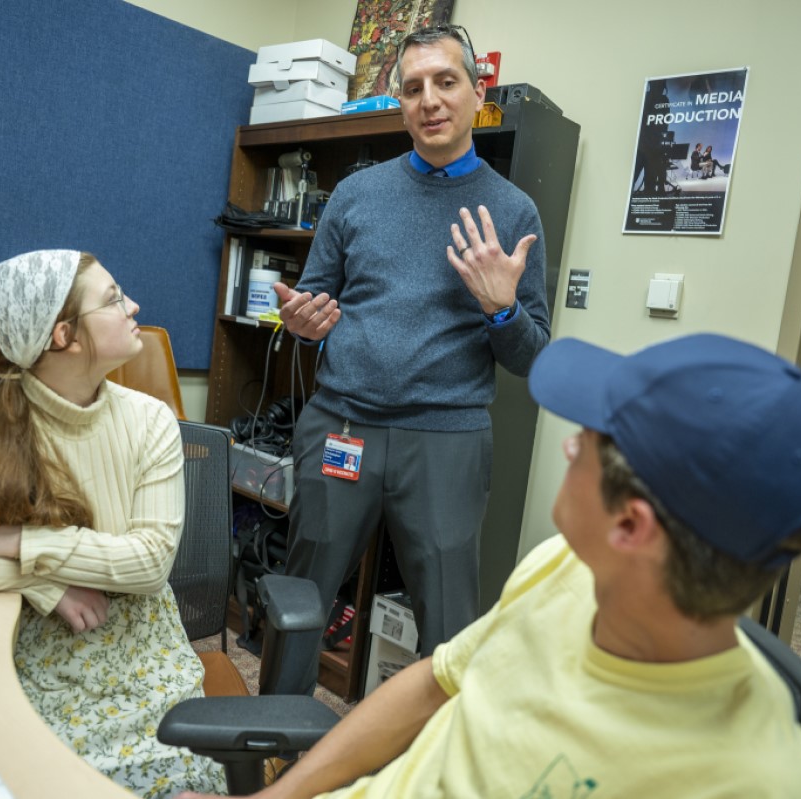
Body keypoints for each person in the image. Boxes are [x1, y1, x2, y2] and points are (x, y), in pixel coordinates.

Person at [177, 332, 801, 799]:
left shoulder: (755, 780)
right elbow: (435, 682)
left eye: (590, 436)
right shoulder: (566, 565)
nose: (569, 449)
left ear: (630, 525)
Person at [0, 250, 225, 798]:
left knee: (175, 781)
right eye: (111, 299)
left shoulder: (150, 420)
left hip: (138, 651)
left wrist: (18, 541)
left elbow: (150, 563)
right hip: (28, 643)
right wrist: (41, 579)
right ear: (63, 336)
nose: (134, 306)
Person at [270, 24, 550, 695]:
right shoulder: (355, 196)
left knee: (450, 624)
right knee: (299, 599)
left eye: (445, 82)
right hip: (342, 425)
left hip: (446, 440)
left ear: (476, 91)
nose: (430, 100)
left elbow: (533, 356)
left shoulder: (513, 211)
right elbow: (314, 299)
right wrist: (301, 321)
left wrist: (501, 308)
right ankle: (274, 749)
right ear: (399, 100)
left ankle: (434, 767)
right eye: (413, 87)